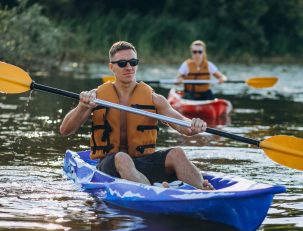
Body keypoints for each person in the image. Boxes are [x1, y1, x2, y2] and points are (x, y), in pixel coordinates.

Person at [60, 41, 214, 190]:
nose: (129, 67)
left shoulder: (155, 99)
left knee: (177, 153)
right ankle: (155, 191)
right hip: (110, 163)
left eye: (133, 62)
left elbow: (182, 125)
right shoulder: (96, 97)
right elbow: (66, 130)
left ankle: (204, 190)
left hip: (144, 162)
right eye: (122, 63)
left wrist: (194, 125)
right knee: (122, 157)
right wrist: (82, 106)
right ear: (111, 67)